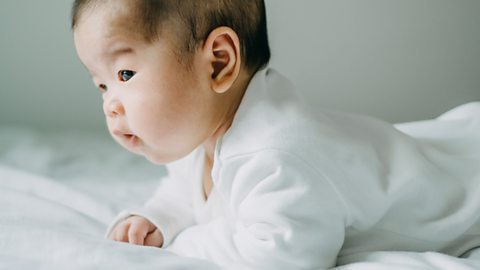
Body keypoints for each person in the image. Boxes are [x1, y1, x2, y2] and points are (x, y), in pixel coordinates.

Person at [71, 0, 480, 269]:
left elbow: (282, 256)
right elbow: (186, 193)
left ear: (218, 63)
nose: (110, 103)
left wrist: (181, 246)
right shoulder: (200, 137)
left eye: (125, 74)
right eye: (102, 85)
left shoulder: (278, 155)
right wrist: (156, 219)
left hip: (468, 188)